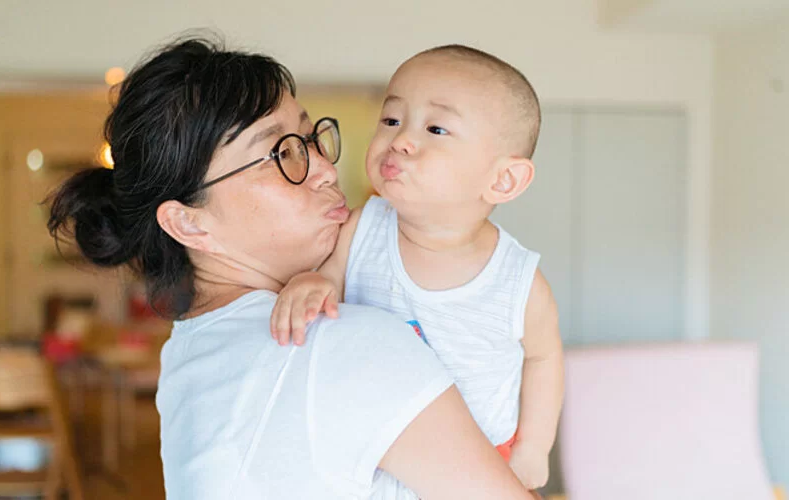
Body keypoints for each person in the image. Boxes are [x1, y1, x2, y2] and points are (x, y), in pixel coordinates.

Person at [46, 37, 537, 500]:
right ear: (189, 224)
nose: (324, 168)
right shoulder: (336, 341)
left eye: (308, 138)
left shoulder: (192, 351)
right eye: (281, 154)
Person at [271, 45, 564, 491]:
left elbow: (544, 358)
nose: (401, 139)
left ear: (503, 180)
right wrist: (311, 283)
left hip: (480, 467)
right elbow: (328, 278)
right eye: (391, 120)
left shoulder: (517, 280)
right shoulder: (363, 228)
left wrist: (534, 449)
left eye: (436, 128)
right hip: (370, 461)